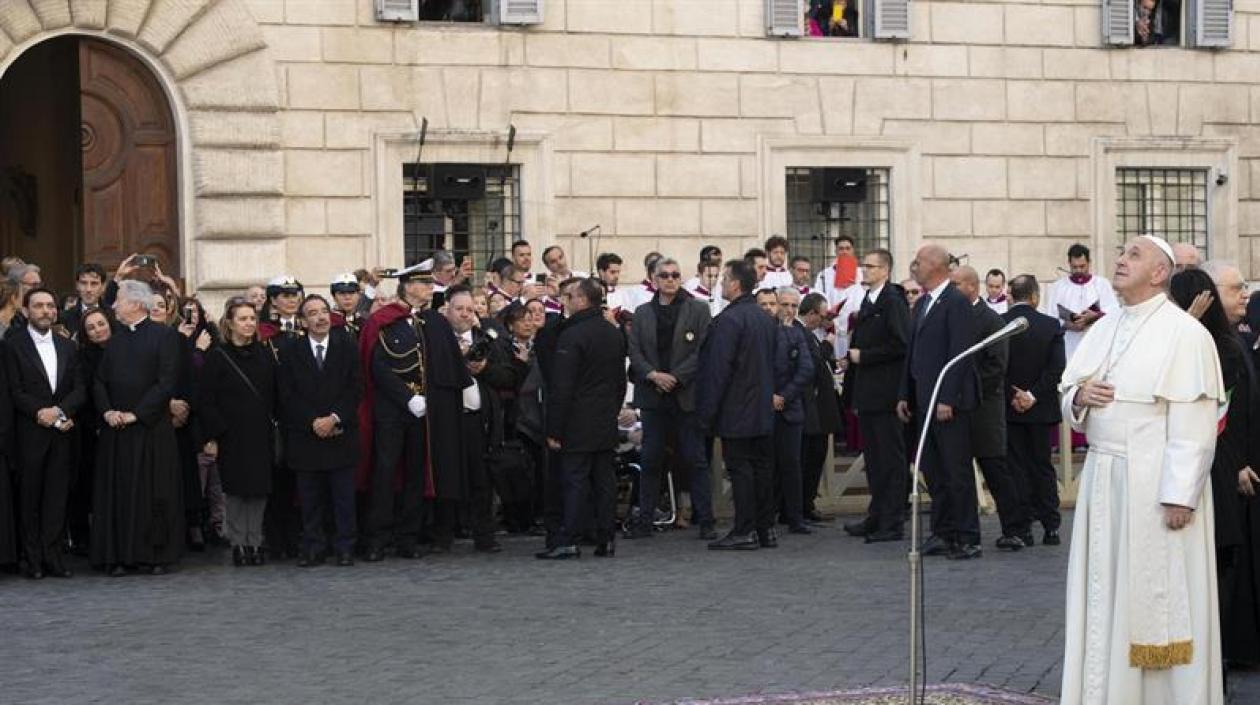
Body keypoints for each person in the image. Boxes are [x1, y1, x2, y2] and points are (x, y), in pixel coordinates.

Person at [1059, 235, 1224, 705]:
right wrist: (1079, 398)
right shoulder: (1106, 326)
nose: (1120, 260)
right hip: (1103, 479)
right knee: (1104, 592)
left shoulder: (1185, 333)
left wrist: (1179, 494)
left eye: (1133, 255)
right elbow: (1070, 386)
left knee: (1157, 598)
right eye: (1121, 252)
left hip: (1155, 487)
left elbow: (1194, 421)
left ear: (1159, 273)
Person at [1176, 264, 1260, 667]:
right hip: (1219, 473)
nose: (1244, 294)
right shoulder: (1207, 346)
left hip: (1236, 467)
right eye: (1234, 289)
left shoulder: (1229, 343)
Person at [92, 280, 185, 576]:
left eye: (118, 300)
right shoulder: (116, 338)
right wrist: (107, 411)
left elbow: (166, 382)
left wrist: (136, 414)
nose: (114, 306)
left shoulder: (164, 336)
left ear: (135, 303)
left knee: (152, 493)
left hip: (150, 429)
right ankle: (119, 555)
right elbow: (99, 380)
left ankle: (153, 555)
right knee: (118, 494)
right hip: (116, 430)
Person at [897, 244, 981, 560]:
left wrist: (948, 397)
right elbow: (913, 352)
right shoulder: (922, 304)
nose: (913, 266)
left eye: (918, 261)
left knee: (956, 471)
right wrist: (904, 393)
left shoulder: (955, 302)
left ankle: (967, 536)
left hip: (948, 403)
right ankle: (942, 532)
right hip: (922, 399)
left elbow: (960, 353)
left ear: (935, 265)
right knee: (933, 471)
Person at [625, 257, 715, 541]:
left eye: (675, 275)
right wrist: (653, 375)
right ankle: (646, 520)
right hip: (652, 395)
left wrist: (675, 376)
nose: (670, 279)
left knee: (695, 459)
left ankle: (706, 520)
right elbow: (635, 351)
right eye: (664, 275)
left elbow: (703, 350)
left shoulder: (698, 309)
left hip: (685, 393)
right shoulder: (642, 312)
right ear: (653, 279)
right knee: (650, 459)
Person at [537, 278, 627, 560]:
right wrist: (611, 410)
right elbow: (620, 380)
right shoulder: (613, 333)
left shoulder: (573, 335)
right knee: (604, 481)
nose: (564, 301)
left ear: (583, 300)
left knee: (574, 480)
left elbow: (562, 387)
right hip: (604, 418)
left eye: (570, 296)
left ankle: (569, 538)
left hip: (577, 420)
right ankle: (606, 538)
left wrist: (554, 428)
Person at [358, 263, 440, 561]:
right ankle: (377, 538)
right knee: (385, 473)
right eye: (425, 283)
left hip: (421, 413)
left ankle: (408, 538)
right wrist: (407, 398)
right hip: (391, 411)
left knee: (416, 475)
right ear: (408, 286)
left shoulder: (424, 322)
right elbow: (377, 366)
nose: (430, 288)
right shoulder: (384, 320)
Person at [696, 259, 778, 551]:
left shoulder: (729, 320)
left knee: (742, 470)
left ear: (734, 284)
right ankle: (765, 529)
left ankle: (744, 529)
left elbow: (718, 370)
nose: (720, 284)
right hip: (762, 408)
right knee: (762, 469)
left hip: (737, 409)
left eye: (723, 279)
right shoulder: (765, 318)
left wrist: (706, 414)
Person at [6, 287, 85, 578]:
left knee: (56, 497)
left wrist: (60, 413)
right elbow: (14, 390)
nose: (46, 311)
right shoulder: (12, 345)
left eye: (51, 306)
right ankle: (32, 559)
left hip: (62, 433)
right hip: (30, 433)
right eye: (38, 306)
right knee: (29, 498)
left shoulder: (68, 346)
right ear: (26, 311)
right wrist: (42, 413)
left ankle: (54, 557)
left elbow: (80, 388)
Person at [278, 294, 361, 568]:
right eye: (312, 313)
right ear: (303, 321)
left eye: (324, 311)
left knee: (343, 498)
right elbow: (286, 394)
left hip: (340, 433)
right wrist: (313, 421)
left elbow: (355, 388)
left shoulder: (347, 346)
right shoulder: (291, 351)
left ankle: (345, 546)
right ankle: (314, 546)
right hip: (306, 436)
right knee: (310, 498)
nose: (320, 317)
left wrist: (334, 418)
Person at [952, 266, 1029, 552]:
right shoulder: (956, 316)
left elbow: (996, 367)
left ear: (972, 287)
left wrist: (966, 392)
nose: (951, 289)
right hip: (959, 409)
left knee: (996, 471)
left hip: (984, 409)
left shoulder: (991, 320)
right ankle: (964, 531)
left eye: (956, 284)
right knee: (958, 474)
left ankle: (1015, 529)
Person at [198, 298, 275, 567]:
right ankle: (239, 543)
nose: (249, 324)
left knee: (259, 490)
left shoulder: (265, 354)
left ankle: (255, 540)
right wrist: (215, 434)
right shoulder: (217, 356)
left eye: (252, 319)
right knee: (235, 491)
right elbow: (206, 399)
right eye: (242, 319)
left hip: (260, 432)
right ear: (230, 323)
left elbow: (274, 392)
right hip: (231, 434)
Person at [843, 249, 910, 542]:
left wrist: (864, 356)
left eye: (870, 266)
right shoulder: (871, 299)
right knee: (875, 458)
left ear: (885, 270)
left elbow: (900, 344)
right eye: (864, 266)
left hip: (886, 394)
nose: (864, 270)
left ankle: (892, 521)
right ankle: (877, 514)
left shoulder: (893, 301)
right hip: (869, 393)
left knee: (890, 461)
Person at [1002, 275, 1066, 547]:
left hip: (1010, 407)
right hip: (1040, 408)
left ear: (1010, 296)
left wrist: (1015, 394)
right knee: (1042, 466)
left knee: (1016, 467)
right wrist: (1033, 395)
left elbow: (996, 367)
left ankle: (1023, 527)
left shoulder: (1000, 325)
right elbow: (1056, 368)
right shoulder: (1051, 326)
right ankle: (1051, 526)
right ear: (1035, 297)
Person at [439, 285, 500, 554]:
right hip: (447, 421)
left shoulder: (488, 339)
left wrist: (485, 369)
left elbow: (510, 375)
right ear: (447, 311)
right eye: (459, 309)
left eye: (469, 309)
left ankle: (484, 536)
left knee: (481, 481)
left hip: (478, 421)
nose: (465, 314)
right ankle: (442, 536)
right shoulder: (437, 340)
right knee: (446, 479)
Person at [770, 286, 815, 535]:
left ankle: (795, 517)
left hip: (791, 408)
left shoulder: (799, 333)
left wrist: (783, 396)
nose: (788, 310)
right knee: (767, 466)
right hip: (765, 407)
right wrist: (770, 396)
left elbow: (806, 370)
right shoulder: (766, 330)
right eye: (784, 305)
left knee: (792, 466)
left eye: (793, 306)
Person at [798, 292, 842, 522]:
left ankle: (807, 503)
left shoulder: (811, 335)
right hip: (811, 409)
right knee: (810, 459)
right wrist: (828, 343)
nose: (825, 321)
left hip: (821, 409)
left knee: (817, 458)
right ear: (813, 313)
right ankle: (803, 505)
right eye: (823, 316)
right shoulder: (802, 333)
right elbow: (812, 363)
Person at [1040, 243, 1119, 362]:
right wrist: (1068, 324)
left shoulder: (1102, 284)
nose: (1078, 270)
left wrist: (1095, 316)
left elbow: (1114, 311)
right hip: (1068, 345)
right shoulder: (1058, 287)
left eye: (1082, 266)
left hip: (1095, 343)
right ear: (1069, 264)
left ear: (1089, 262)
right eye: (1074, 267)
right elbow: (1051, 317)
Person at [813, 235, 866, 358]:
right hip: (832, 328)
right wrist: (823, 318)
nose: (844, 252)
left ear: (853, 250)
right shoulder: (824, 275)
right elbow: (818, 298)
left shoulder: (862, 273)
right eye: (841, 248)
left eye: (848, 248)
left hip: (855, 328)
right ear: (836, 251)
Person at [60, 263, 107, 337]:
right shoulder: (64, 318)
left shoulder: (112, 315)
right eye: (83, 283)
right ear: (77, 285)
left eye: (94, 283)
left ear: (103, 287)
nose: (88, 289)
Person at [329, 273, 365, 338]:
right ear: (334, 297)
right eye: (342, 293)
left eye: (351, 292)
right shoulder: (328, 322)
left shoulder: (364, 323)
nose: (347, 297)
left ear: (359, 295)